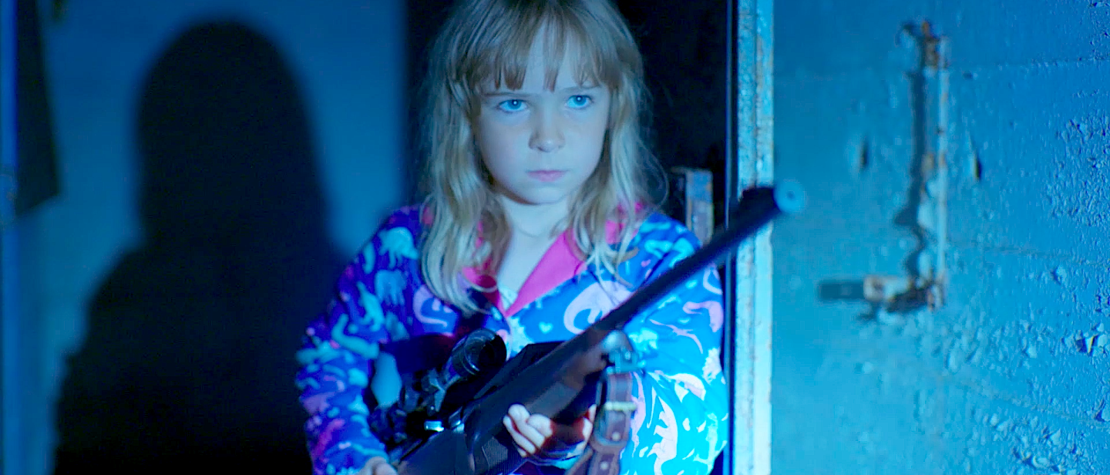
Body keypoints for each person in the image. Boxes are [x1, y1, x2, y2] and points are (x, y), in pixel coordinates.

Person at [294, 0, 728, 473]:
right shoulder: (406, 247)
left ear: (614, 106)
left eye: (578, 100)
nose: (548, 136)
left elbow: (696, 423)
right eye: (514, 103)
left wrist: (602, 427)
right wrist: (355, 458)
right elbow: (329, 354)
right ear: (466, 113)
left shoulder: (659, 258)